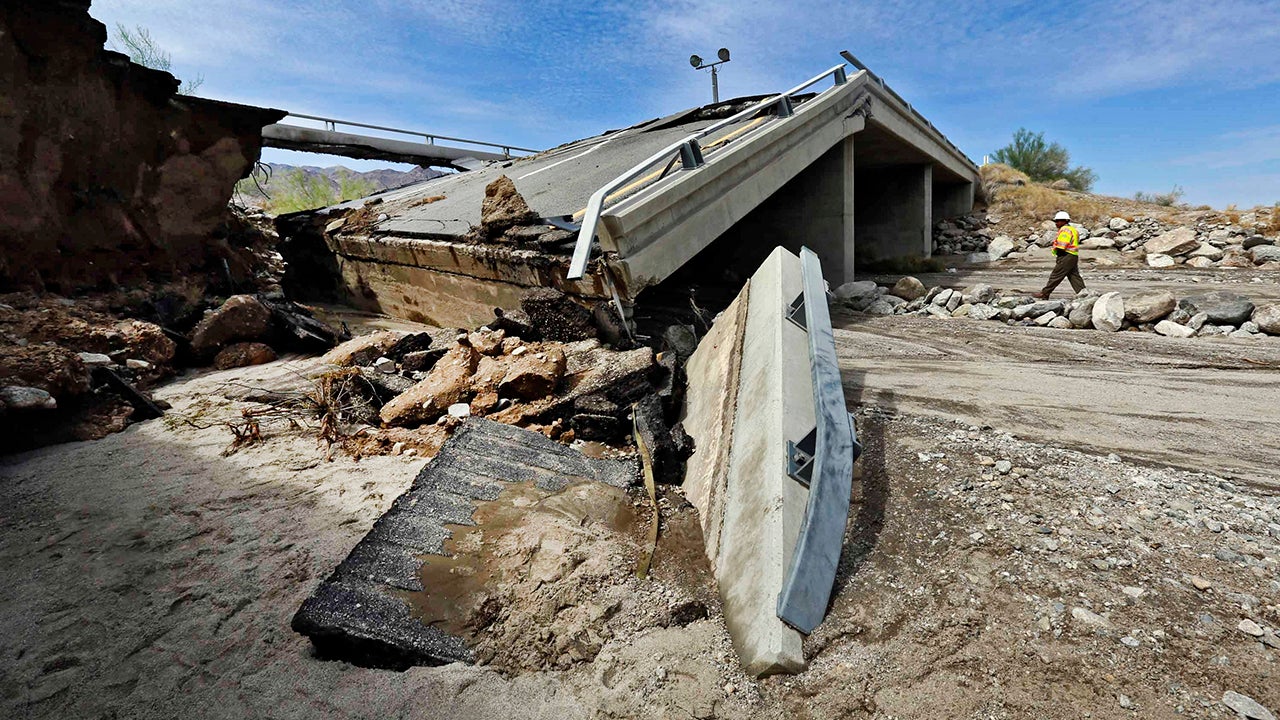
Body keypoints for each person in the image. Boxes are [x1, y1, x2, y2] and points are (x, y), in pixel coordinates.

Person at [1035, 210, 1084, 299]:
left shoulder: (1065, 230)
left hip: (1066, 255)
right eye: (1055, 221)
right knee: (1074, 277)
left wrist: (1059, 254)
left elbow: (1062, 245)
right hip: (1073, 255)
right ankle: (1084, 294)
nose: (1056, 223)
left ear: (1064, 221)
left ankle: (1045, 293)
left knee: (1056, 275)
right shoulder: (1073, 230)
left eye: (1058, 221)